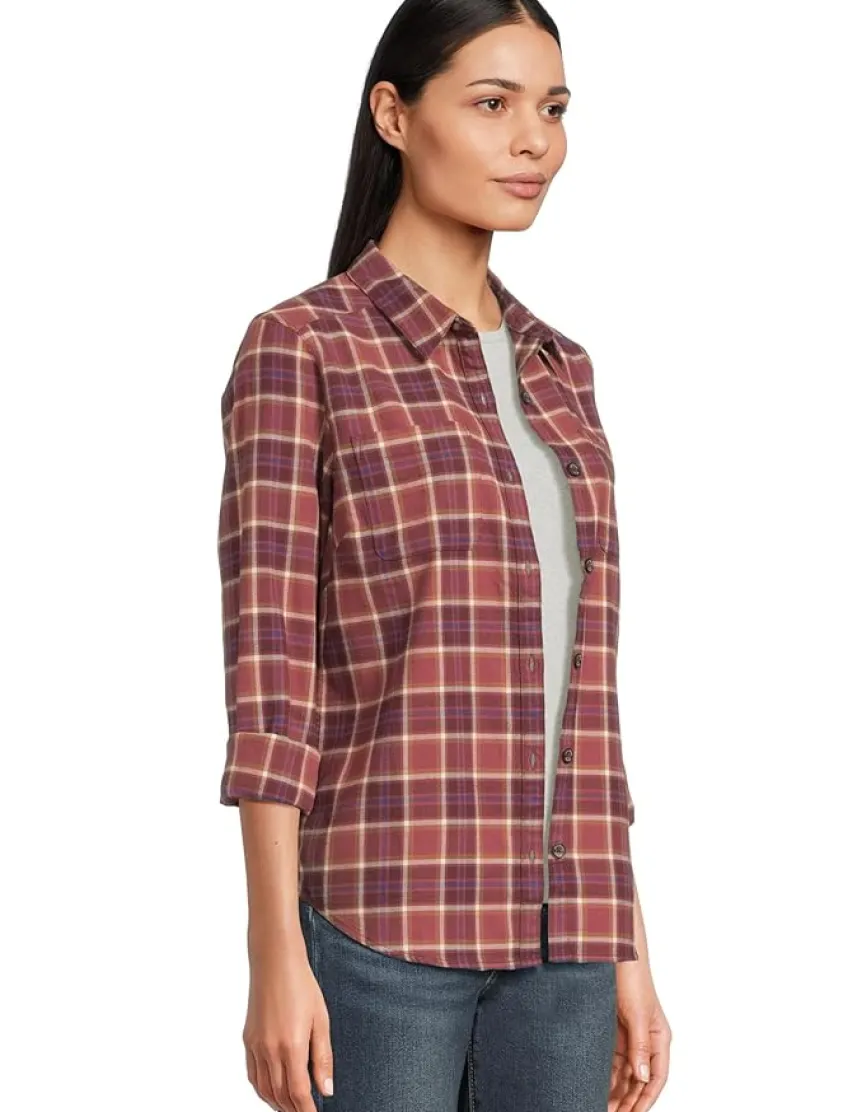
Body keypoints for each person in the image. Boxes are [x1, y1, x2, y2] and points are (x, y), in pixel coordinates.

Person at [215, 2, 671, 1110]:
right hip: (383, 930)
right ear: (393, 114)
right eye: (492, 104)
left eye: (552, 109)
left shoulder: (563, 370)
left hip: (566, 946)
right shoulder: (303, 348)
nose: (533, 141)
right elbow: (271, 678)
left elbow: (581, 691)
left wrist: (626, 941)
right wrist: (273, 951)